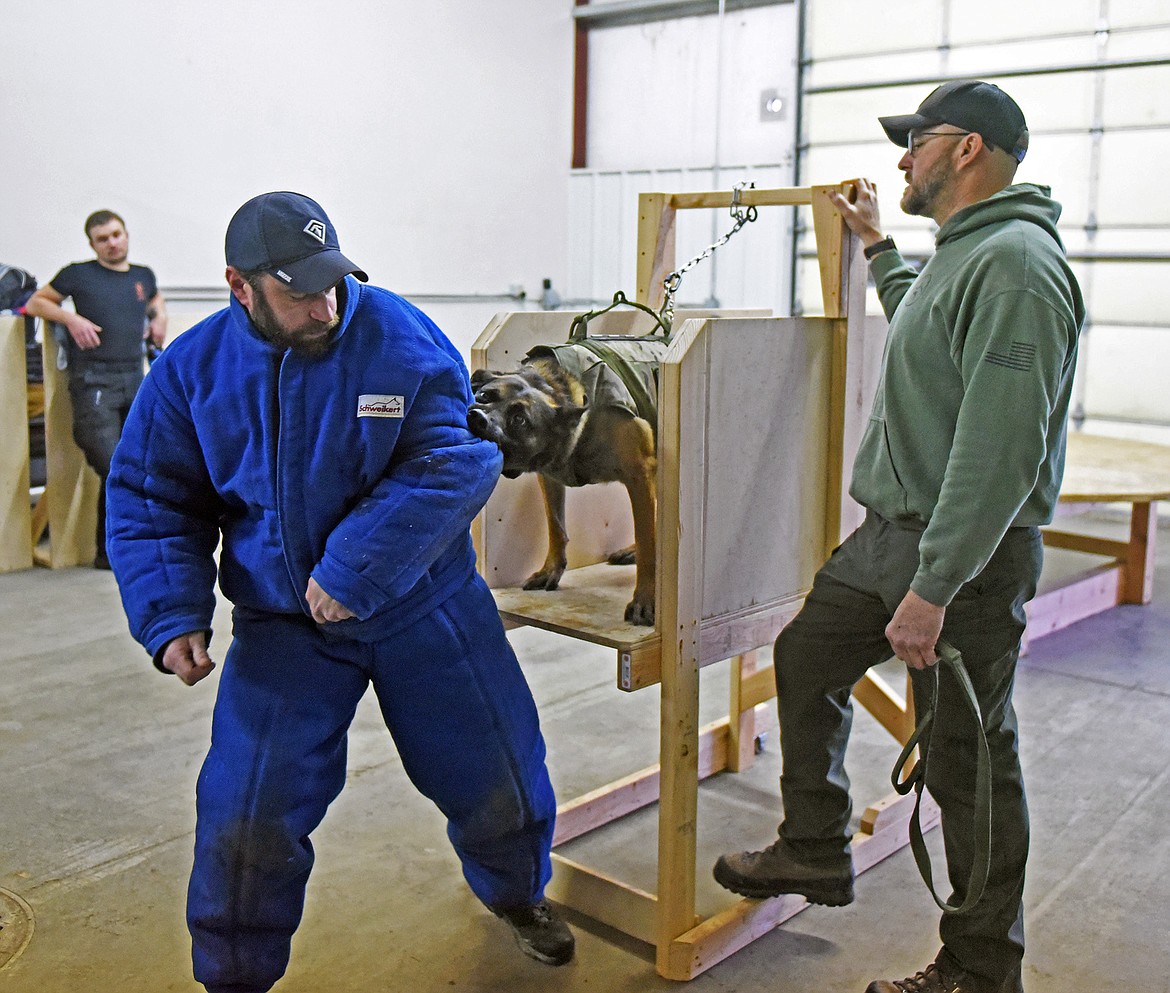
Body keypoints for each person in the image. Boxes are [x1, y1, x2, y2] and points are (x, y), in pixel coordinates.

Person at [105, 191, 574, 992]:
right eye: (297, 292)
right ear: (239, 285)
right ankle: (234, 972)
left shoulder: (397, 337)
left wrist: (353, 569)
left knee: (498, 771)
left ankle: (517, 892)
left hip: (425, 603)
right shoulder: (192, 373)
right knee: (246, 814)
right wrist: (171, 611)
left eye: (331, 281)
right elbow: (153, 495)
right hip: (286, 624)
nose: (325, 304)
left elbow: (455, 460)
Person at [713, 81, 1083, 993]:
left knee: (968, 761)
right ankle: (814, 845)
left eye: (917, 142)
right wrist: (877, 246)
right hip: (889, 537)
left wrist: (935, 588)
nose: (902, 158)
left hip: (961, 558)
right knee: (805, 656)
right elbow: (923, 315)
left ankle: (981, 967)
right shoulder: (965, 253)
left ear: (968, 151)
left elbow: (1000, 454)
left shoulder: (1018, 267)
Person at [24, 210, 167, 569]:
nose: (112, 242)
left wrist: (160, 317)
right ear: (93, 244)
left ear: (126, 234)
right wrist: (71, 318)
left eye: (116, 234)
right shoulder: (79, 274)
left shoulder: (142, 276)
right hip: (94, 384)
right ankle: (115, 551)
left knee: (136, 463)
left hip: (134, 378)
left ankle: (112, 554)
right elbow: (36, 302)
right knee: (115, 466)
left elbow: (154, 299)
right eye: (103, 238)